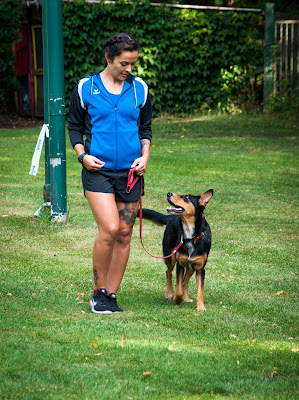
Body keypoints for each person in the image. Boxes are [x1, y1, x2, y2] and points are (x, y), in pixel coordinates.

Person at [68, 33, 152, 314]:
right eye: (124, 63)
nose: (129, 69)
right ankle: (98, 291)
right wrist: (83, 156)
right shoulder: (86, 87)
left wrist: (145, 157)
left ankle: (111, 295)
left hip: (130, 173)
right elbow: (75, 126)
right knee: (110, 230)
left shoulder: (140, 89)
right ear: (108, 58)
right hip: (98, 171)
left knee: (125, 233)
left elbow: (145, 129)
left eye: (133, 63)